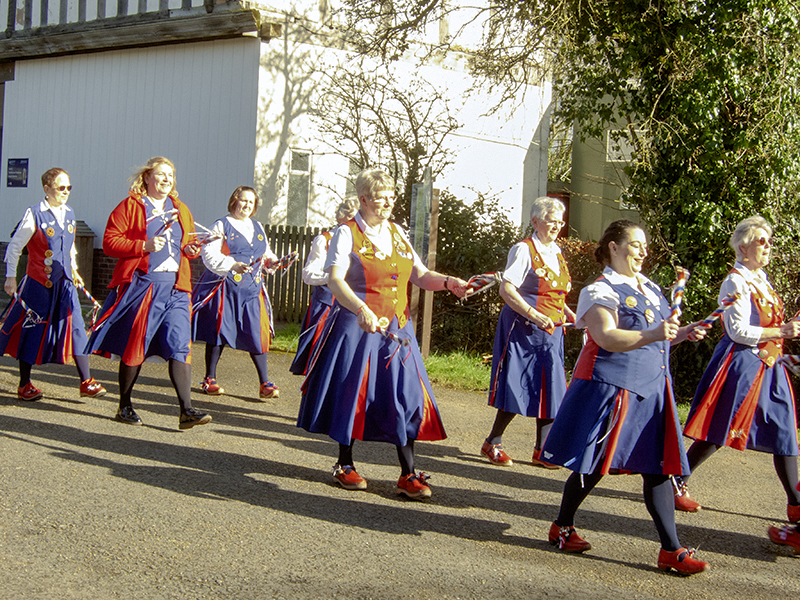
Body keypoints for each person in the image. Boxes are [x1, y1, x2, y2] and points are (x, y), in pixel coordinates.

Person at [540, 220, 709, 575]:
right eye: (635, 244)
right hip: (613, 388)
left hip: (652, 390)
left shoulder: (649, 288)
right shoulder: (600, 288)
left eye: (645, 245)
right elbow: (607, 337)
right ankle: (562, 526)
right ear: (613, 247)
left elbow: (658, 336)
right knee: (595, 464)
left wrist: (683, 333)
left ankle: (671, 550)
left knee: (658, 467)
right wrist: (654, 334)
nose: (643, 252)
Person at [296, 168, 467, 499]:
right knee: (354, 394)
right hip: (357, 327)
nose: (388, 201)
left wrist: (449, 283)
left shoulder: (398, 233)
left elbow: (420, 274)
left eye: (392, 195)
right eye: (380, 196)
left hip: (397, 330)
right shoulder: (345, 234)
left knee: (407, 397)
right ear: (363, 199)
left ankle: (408, 473)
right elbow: (334, 279)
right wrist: (360, 309)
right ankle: (344, 464)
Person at [677, 216, 800, 525]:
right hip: (742, 363)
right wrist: (781, 332)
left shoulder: (762, 279)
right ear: (744, 247)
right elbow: (737, 331)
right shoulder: (736, 281)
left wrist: (783, 333)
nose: (769, 246)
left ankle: (796, 503)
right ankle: (676, 479)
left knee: (785, 432)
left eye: (770, 241)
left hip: (771, 365)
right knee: (718, 429)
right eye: (762, 241)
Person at [86, 157, 210, 430]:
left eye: (170, 175)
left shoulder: (180, 209)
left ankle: (186, 410)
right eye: (161, 174)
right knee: (136, 345)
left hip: (177, 288)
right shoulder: (131, 206)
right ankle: (124, 405)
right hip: (145, 285)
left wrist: (192, 250)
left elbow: (189, 242)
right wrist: (144, 245)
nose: (167, 179)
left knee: (181, 345)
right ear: (147, 178)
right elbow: (109, 241)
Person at [481, 196, 574, 468]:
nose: (556, 225)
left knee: (551, 385)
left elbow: (555, 292)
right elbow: (507, 290)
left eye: (560, 221)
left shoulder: (556, 251)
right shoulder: (523, 250)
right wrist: (534, 314)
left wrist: (568, 313)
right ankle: (492, 442)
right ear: (535, 221)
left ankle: (542, 449)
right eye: (550, 220)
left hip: (552, 330)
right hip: (523, 328)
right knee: (517, 385)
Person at [0, 168, 106, 401]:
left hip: (65, 283)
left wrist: (75, 269)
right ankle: (24, 384)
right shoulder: (35, 214)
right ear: (47, 189)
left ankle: (86, 381)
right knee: (32, 329)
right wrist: (11, 277)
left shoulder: (69, 213)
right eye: (61, 187)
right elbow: (15, 247)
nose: (66, 192)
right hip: (39, 282)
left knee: (77, 326)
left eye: (69, 187)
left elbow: (70, 246)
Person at [191, 185, 281, 399]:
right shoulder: (221, 225)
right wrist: (232, 265)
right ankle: (209, 378)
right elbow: (209, 255)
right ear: (234, 201)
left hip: (252, 288)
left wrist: (273, 263)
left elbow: (265, 254)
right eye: (243, 200)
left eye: (251, 202)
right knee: (220, 331)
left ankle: (265, 383)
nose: (247, 205)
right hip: (226, 288)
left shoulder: (257, 226)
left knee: (258, 333)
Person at [289, 198, 358, 376]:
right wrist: (335, 278)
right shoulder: (324, 240)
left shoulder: (362, 243)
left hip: (352, 304)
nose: (354, 221)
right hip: (327, 304)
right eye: (350, 216)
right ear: (340, 217)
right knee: (319, 362)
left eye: (357, 217)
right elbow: (308, 274)